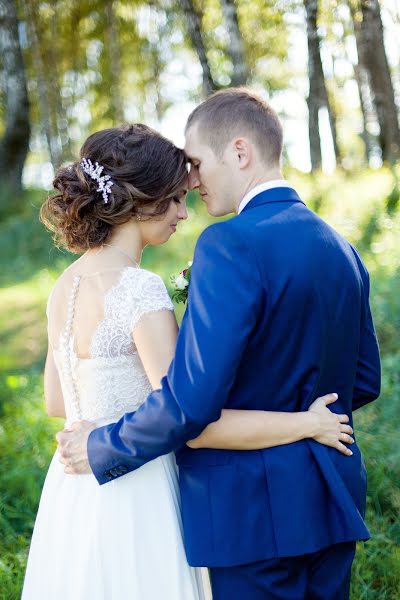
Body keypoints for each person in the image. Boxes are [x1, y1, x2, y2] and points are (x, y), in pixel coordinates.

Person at [22, 123, 352, 600]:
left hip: (73, 492)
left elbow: (57, 400)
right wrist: (306, 424)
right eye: (175, 198)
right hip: (140, 486)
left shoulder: (63, 287)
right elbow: (194, 420)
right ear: (139, 202)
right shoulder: (139, 289)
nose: (184, 210)